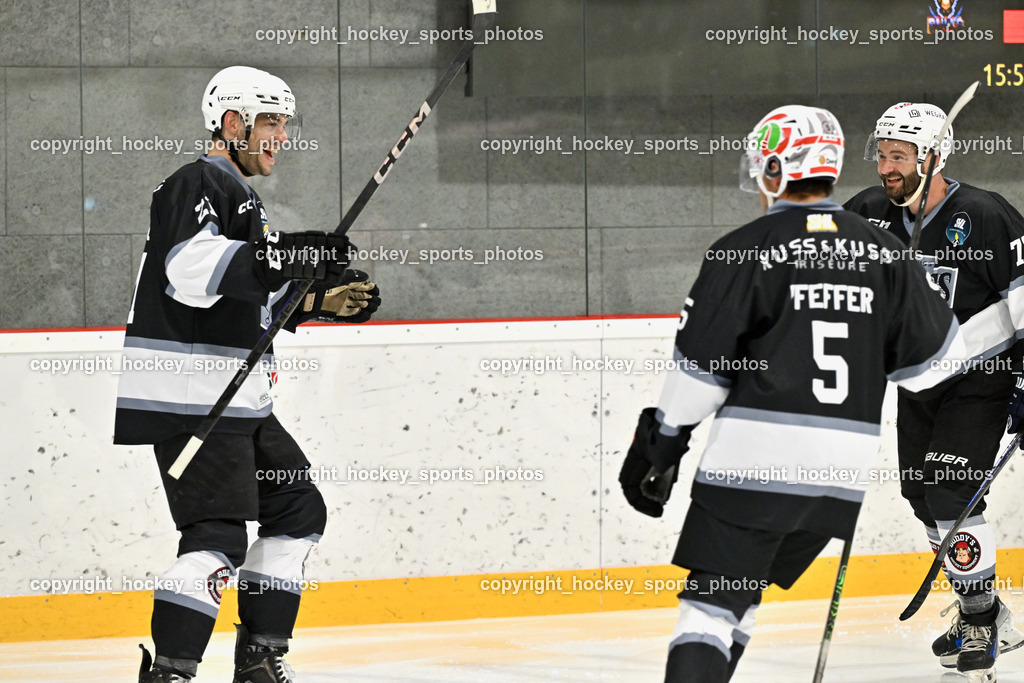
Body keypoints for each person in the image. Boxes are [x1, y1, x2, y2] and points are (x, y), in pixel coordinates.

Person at [619, 105, 968, 682]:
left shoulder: (746, 247)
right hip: (837, 474)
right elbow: (934, 368)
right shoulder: (884, 253)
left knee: (709, 607)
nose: (757, 184)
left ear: (780, 170)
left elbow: (700, 373)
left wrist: (662, 442)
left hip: (754, 461)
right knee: (741, 595)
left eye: (762, 170)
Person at [115, 65, 380, 683]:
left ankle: (259, 659)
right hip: (193, 399)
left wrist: (316, 300)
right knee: (216, 538)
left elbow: (244, 297)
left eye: (285, 123)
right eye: (270, 122)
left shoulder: (241, 198)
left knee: (296, 510)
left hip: (237, 401)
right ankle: (173, 673)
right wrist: (289, 253)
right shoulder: (196, 182)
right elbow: (190, 270)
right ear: (231, 123)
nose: (280, 136)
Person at [845, 101, 1024, 679]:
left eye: (900, 155)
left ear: (935, 156)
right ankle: (988, 610)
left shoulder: (984, 213)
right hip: (917, 383)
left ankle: (977, 618)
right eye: (882, 153)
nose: (886, 166)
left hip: (981, 379)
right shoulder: (870, 212)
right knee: (923, 498)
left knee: (951, 491)